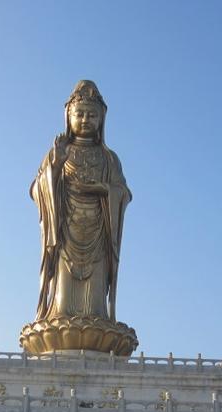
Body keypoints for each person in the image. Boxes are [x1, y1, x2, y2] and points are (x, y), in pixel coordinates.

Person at [31, 80, 132, 324]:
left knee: (94, 298)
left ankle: (98, 317)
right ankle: (58, 316)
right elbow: (37, 189)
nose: (86, 119)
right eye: (80, 114)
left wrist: (103, 189)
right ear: (69, 116)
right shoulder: (58, 152)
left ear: (101, 120)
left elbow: (123, 193)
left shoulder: (109, 158)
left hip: (98, 230)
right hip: (66, 230)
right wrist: (55, 167)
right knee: (64, 298)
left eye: (92, 115)